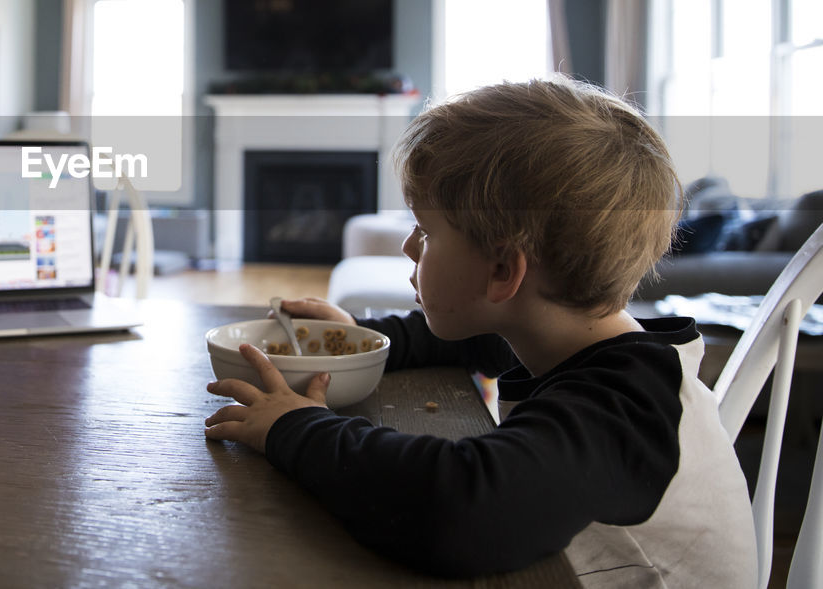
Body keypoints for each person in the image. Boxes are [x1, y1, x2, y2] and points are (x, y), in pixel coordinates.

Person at [203, 78, 756, 587]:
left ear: (502, 272)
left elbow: (459, 507)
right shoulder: (576, 339)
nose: (408, 247)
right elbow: (472, 338)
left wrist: (295, 428)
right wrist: (359, 337)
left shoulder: (623, 407)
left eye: (425, 230)